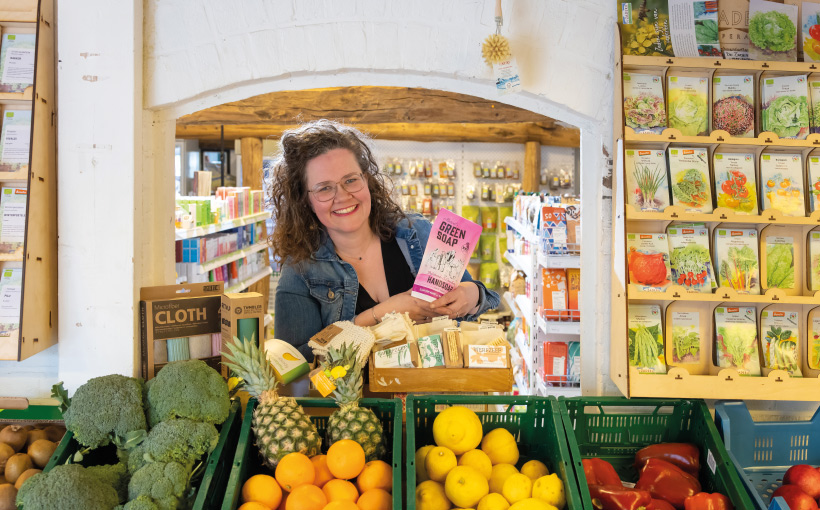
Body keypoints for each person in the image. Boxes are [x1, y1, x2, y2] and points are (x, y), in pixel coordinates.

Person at [269, 120, 500, 360]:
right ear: (305, 200)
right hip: (357, 398)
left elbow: (485, 298)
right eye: (324, 188)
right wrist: (381, 315)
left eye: (350, 180)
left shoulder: (415, 233)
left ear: (366, 180)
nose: (343, 196)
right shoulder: (300, 270)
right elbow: (295, 362)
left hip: (431, 394)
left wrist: (471, 294)